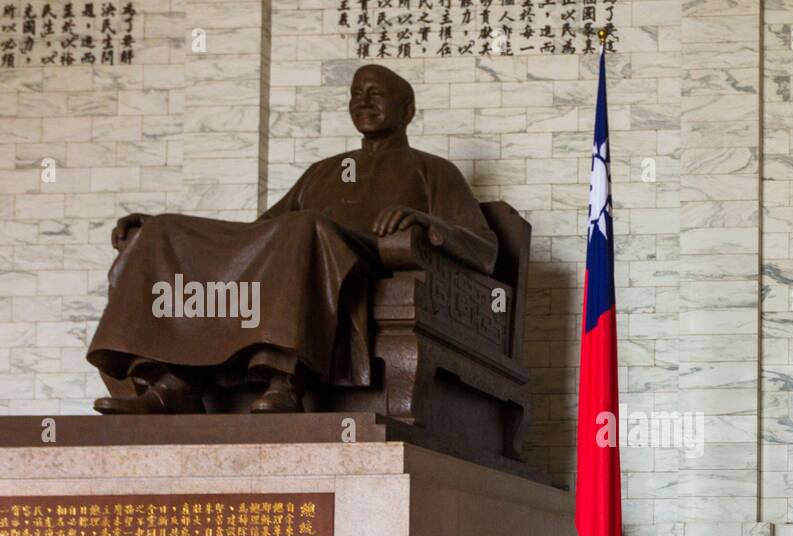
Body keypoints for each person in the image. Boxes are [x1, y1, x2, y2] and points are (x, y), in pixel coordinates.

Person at [88, 64, 498, 414]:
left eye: (376, 94)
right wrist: (169, 231)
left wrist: (426, 222)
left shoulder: (433, 171)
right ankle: (174, 382)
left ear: (407, 110)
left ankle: (285, 380)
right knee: (164, 229)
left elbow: (484, 248)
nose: (363, 102)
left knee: (304, 227)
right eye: (356, 94)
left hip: (365, 263)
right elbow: (257, 236)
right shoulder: (324, 170)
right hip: (304, 247)